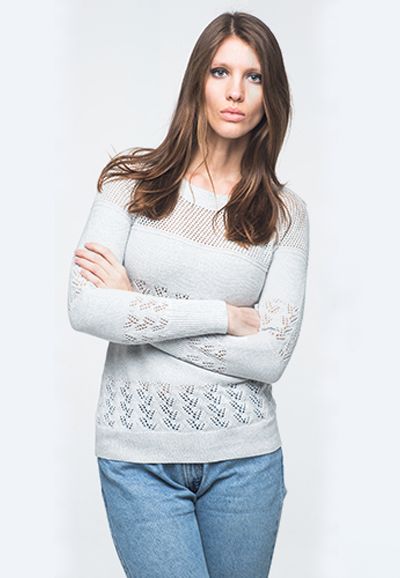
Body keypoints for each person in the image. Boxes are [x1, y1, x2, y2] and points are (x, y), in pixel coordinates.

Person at [67, 10, 310, 578]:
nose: (235, 92)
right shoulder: (130, 185)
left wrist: (136, 305)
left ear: (270, 95)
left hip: (246, 462)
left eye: (253, 77)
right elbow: (86, 308)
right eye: (221, 72)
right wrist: (225, 316)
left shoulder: (285, 215)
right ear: (197, 80)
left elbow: (271, 357)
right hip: (138, 461)